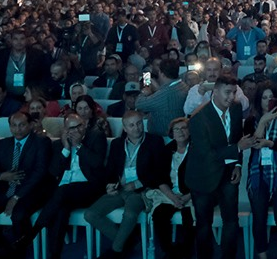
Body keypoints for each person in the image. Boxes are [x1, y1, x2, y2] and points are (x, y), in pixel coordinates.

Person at [185, 75, 255, 259]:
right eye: (227, 92)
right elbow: (207, 154)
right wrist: (237, 148)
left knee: (231, 221)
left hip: (228, 172)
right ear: (215, 92)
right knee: (203, 225)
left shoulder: (236, 108)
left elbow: (236, 136)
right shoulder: (198, 118)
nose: (231, 97)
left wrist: (237, 164)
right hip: (203, 176)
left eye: (234, 92)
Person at [22, 114, 107, 259]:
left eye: (79, 126)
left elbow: (97, 163)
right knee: (61, 209)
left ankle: (33, 232)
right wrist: (66, 149)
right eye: (71, 128)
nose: (76, 131)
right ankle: (55, 255)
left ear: (84, 124)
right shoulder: (59, 144)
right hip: (64, 193)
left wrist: (79, 145)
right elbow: (53, 171)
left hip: (89, 188)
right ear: (65, 130)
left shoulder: (96, 137)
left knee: (63, 191)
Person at [85, 111, 164, 259]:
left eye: (139, 123)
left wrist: (137, 184)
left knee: (129, 214)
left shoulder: (155, 141)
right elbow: (110, 170)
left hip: (141, 190)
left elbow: (160, 171)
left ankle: (116, 251)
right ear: (125, 128)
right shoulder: (117, 144)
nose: (137, 128)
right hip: (120, 188)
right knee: (90, 214)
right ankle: (128, 242)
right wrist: (109, 185)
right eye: (131, 125)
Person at [244, 82, 277, 259]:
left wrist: (269, 143)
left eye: (271, 98)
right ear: (259, 101)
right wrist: (263, 122)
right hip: (258, 171)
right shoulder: (251, 121)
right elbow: (251, 143)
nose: (267, 101)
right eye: (264, 98)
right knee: (259, 217)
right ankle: (262, 254)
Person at [0, 111, 51, 247]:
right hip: (6, 189)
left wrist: (16, 197)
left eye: (22, 125)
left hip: (30, 191)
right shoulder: (4, 144)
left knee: (19, 215)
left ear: (30, 125)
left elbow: (40, 172)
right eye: (13, 125)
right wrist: (2, 176)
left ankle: (20, 249)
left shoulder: (41, 142)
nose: (17, 129)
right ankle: (3, 248)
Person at [147, 117, 194, 259]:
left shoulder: (198, 150)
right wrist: (173, 197)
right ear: (171, 133)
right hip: (170, 194)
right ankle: (169, 251)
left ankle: (186, 253)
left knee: (189, 216)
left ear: (190, 131)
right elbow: (160, 179)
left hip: (192, 194)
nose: (180, 132)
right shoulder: (165, 151)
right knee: (159, 215)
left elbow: (203, 179)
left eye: (184, 128)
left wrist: (186, 197)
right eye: (176, 129)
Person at [135, 59, 188, 138]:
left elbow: (139, 104)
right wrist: (159, 89)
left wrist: (144, 92)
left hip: (162, 137)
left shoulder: (165, 94)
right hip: (176, 132)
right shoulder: (183, 85)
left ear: (161, 74)